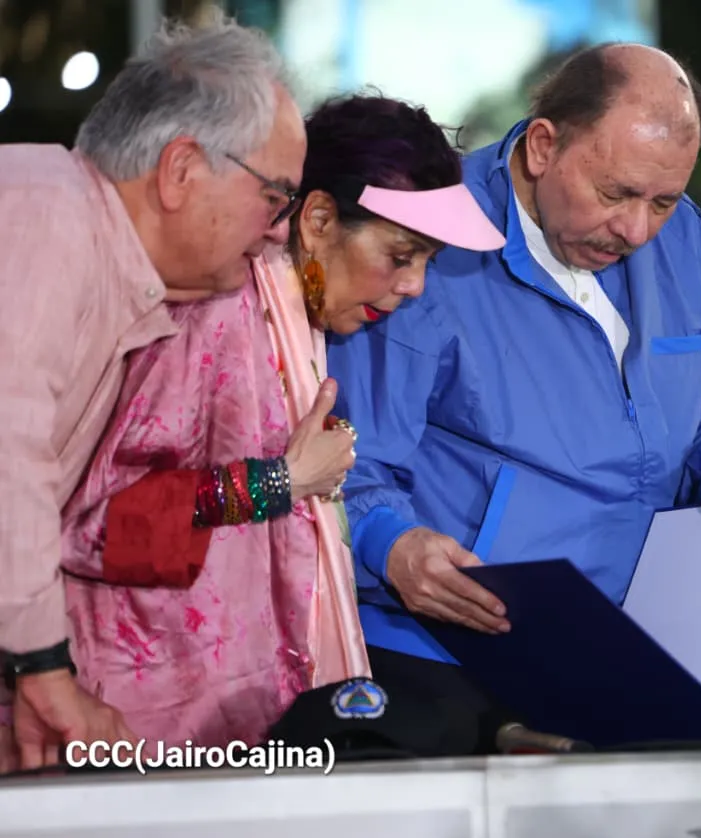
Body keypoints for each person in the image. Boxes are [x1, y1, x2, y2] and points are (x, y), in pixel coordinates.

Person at [326, 43, 701, 752]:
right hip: (450, 647)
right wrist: (392, 545)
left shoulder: (686, 238)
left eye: (662, 200)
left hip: (632, 643)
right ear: (542, 146)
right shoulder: (431, 241)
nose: (637, 230)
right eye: (615, 193)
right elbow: (347, 453)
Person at [56, 93, 506, 750]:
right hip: (148, 725)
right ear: (319, 219)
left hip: (237, 709)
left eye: (426, 262)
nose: (415, 286)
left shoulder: (297, 315)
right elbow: (93, 524)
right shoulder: (213, 313)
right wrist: (280, 481)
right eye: (401, 254)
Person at [0, 14, 306, 771]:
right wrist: (41, 667)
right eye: (275, 196)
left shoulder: (110, 261)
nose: (278, 231)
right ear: (180, 171)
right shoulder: (46, 210)